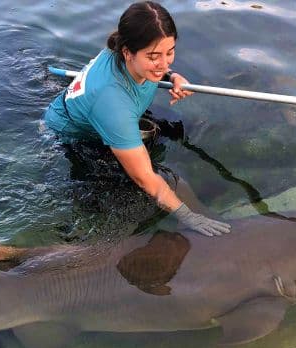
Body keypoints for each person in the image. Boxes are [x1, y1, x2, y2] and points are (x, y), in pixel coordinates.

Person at [44, 1, 230, 237]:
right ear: (127, 53)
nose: (163, 64)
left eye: (170, 52)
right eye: (154, 56)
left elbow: (160, 65)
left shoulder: (132, 53)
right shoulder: (112, 103)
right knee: (137, 188)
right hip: (72, 137)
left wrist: (173, 76)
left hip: (109, 113)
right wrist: (188, 216)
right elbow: (144, 178)